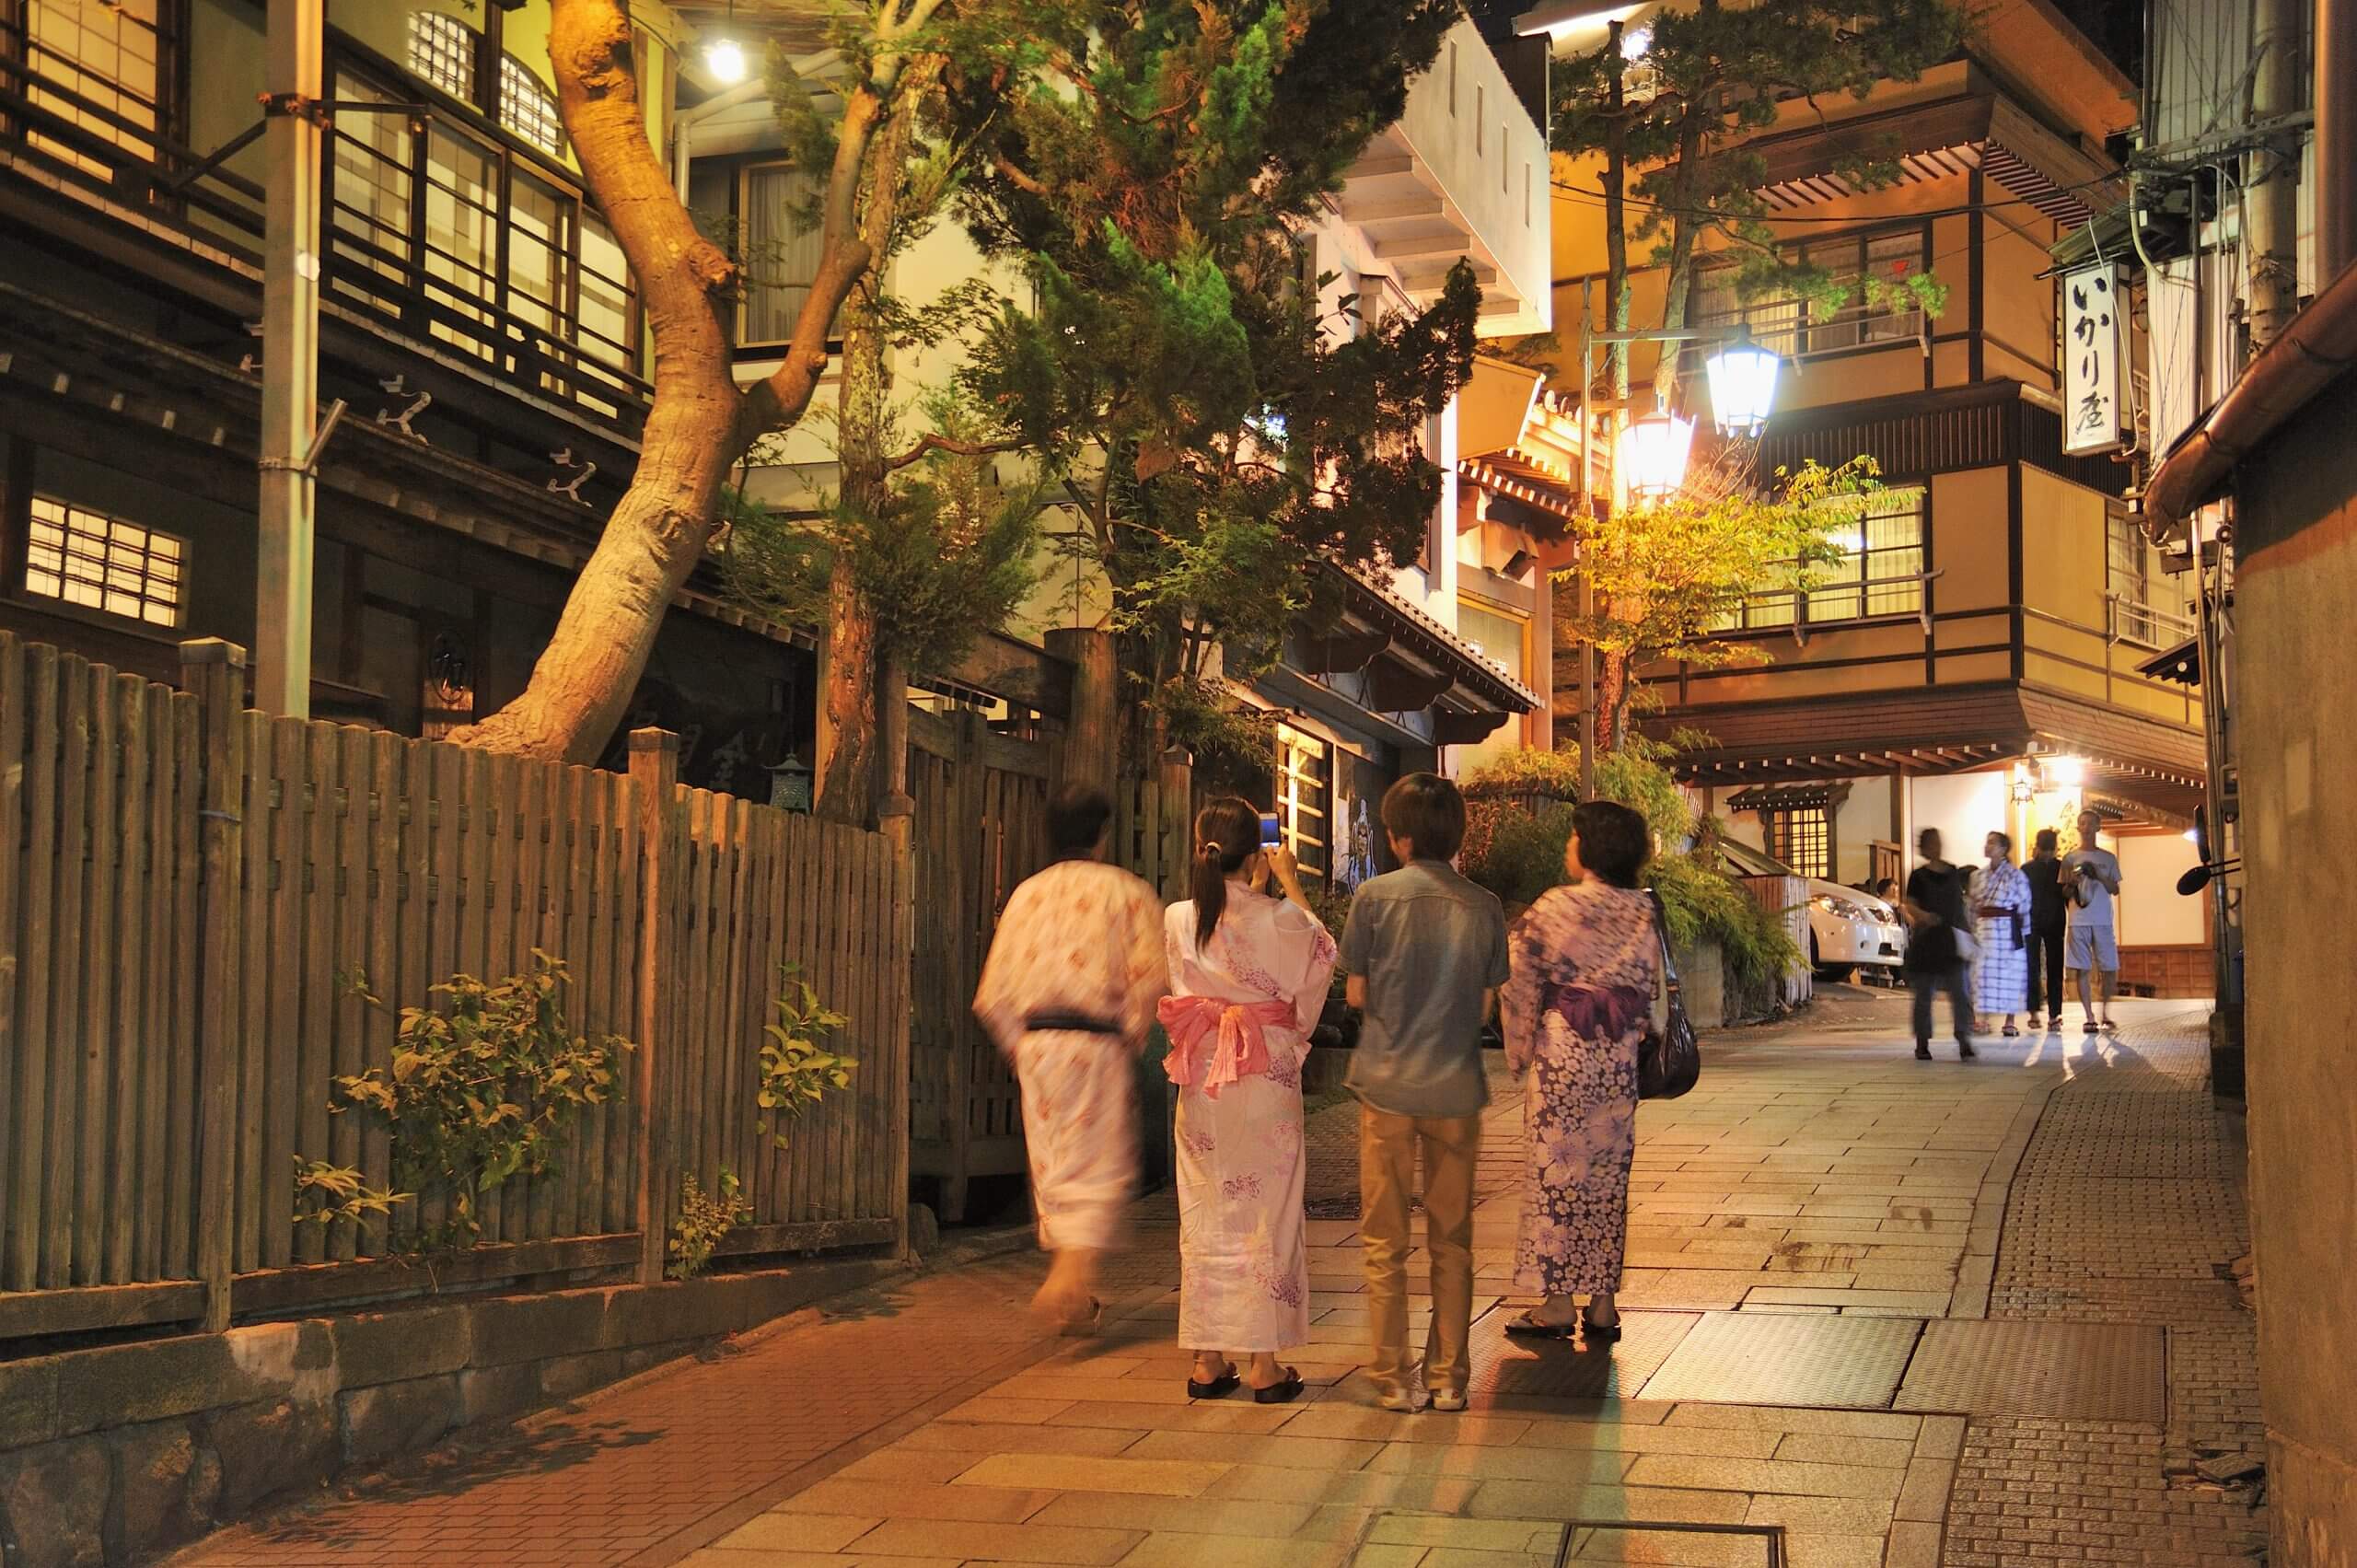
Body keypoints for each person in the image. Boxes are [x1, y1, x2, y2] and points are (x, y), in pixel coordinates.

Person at [1339, 773, 1509, 1413]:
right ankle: (1449, 1378)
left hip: (1385, 1084)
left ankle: (1390, 1378)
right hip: (1457, 1087)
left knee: (1385, 1241)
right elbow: (1489, 999)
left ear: (1399, 837)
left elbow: (1355, 992)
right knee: (1452, 1240)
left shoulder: (1374, 897)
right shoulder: (1485, 904)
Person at [1159, 797, 1337, 1405]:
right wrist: (1286, 883)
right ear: (1255, 853)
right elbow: (1320, 959)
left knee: (1206, 1213)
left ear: (1201, 848)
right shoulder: (1278, 916)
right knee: (1270, 1214)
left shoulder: (1180, 917)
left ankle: (1208, 1358)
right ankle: (1264, 1361)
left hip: (1204, 1076)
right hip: (1263, 1075)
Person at [972, 784, 1168, 1332]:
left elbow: (992, 992)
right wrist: (1128, 1033)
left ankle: (1076, 1291)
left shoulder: (1026, 895)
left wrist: (1020, 1046)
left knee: (1055, 1161)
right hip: (1095, 1041)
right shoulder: (1125, 891)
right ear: (1102, 834)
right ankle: (1066, 1277)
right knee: (1099, 1161)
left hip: (1036, 1044)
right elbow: (1150, 976)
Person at [1498, 800, 1660, 1348]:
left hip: (1565, 1052)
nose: (1569, 844)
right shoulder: (1643, 909)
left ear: (1590, 847)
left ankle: (1557, 1303)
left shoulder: (1555, 906)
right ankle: (1604, 1304)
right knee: (1609, 1178)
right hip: (1616, 1053)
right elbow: (1649, 984)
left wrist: (1517, 1049)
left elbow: (1517, 975)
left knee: (1558, 1174)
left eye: (1574, 837)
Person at [1899, 828, 1976, 1062]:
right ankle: (1922, 1043)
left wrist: (1968, 933)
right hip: (1927, 940)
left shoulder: (1953, 872)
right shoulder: (1918, 876)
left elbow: (1959, 905)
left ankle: (1964, 1038)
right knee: (1924, 995)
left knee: (1961, 992)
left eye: (1938, 842)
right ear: (1924, 847)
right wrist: (1924, 916)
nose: (1936, 846)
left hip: (1952, 939)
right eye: (1931, 843)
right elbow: (1909, 904)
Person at [2061, 808, 2124, 1033]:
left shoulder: (2108, 858)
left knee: (2109, 968)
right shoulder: (2069, 858)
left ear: (2098, 827)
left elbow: (2114, 889)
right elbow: (2065, 894)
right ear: (2078, 828)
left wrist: (2097, 874)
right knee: (2082, 969)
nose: (2085, 827)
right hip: (2078, 920)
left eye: (2090, 823)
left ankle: (2105, 1013)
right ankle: (2089, 1016)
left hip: (2102, 920)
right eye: (2082, 823)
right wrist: (2073, 882)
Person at [1971, 831, 2031, 1036]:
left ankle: (2010, 1021)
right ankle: (1983, 1020)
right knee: (1983, 975)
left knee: (2010, 975)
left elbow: (2024, 906)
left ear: (2003, 849)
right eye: (1987, 842)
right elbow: (1973, 905)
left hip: (2006, 929)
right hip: (1984, 929)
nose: (1987, 846)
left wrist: (2023, 933)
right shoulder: (1978, 876)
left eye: (1992, 843)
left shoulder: (2016, 875)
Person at [2023, 829, 2067, 1030]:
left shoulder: (2061, 868)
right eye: (2046, 850)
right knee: (2034, 967)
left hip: (2048, 921)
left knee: (2053, 968)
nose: (2048, 854)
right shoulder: (2028, 869)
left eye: (2051, 850)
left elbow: (2069, 897)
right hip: (2039, 921)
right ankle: (2036, 1012)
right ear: (2038, 848)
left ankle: (2053, 1014)